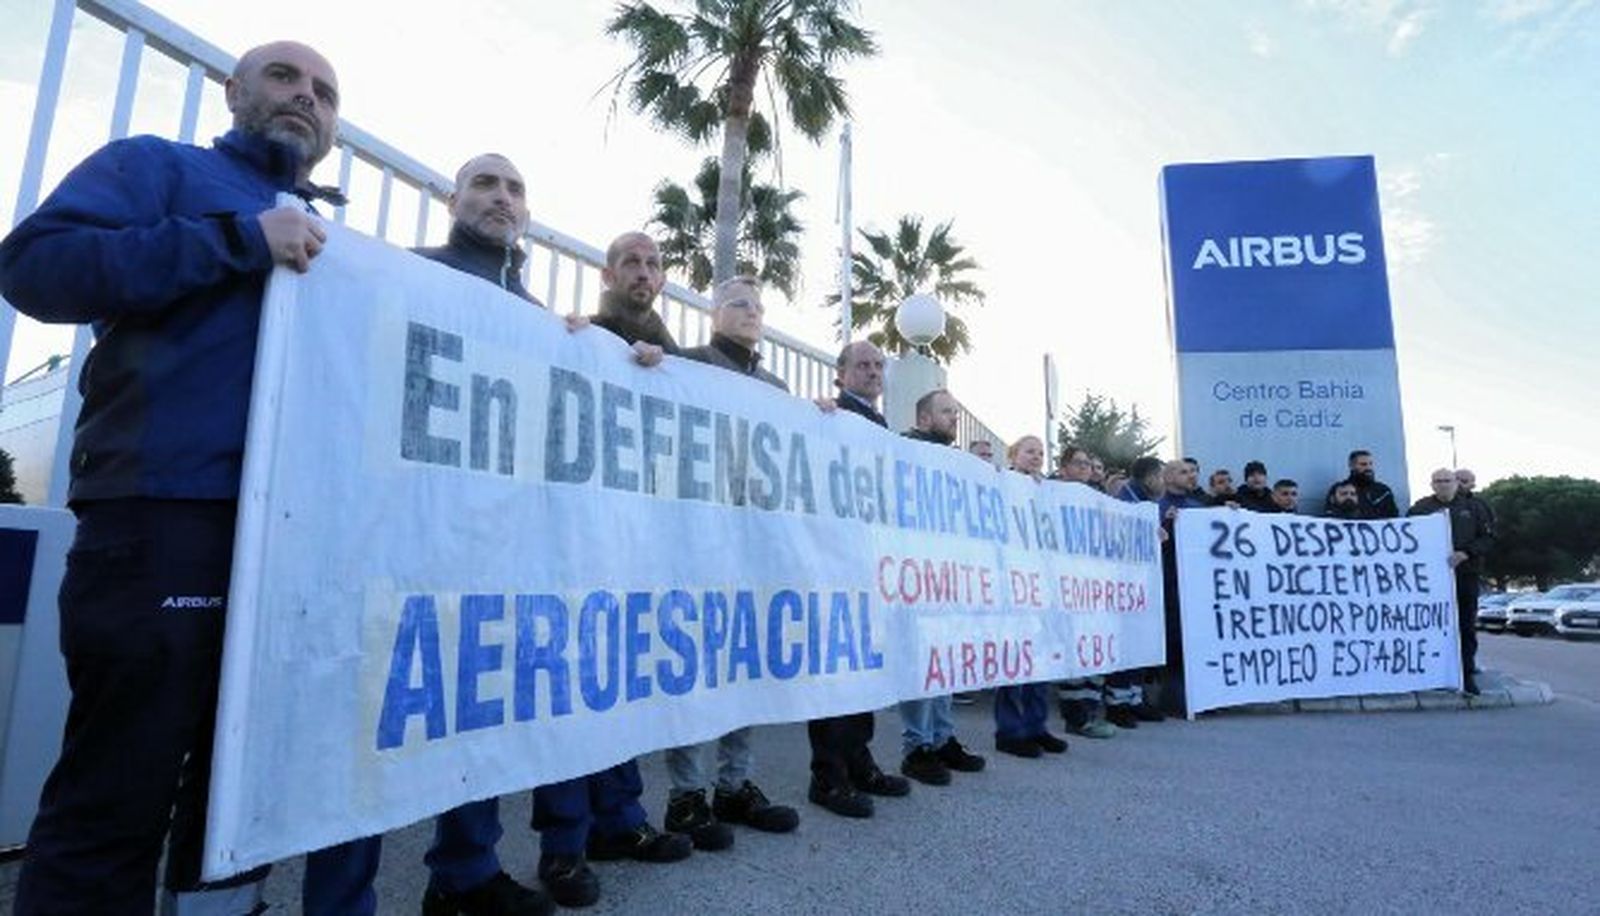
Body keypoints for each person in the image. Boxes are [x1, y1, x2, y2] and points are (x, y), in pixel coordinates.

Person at [0, 40, 349, 915]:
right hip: (163, 519)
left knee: (239, 802)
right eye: (284, 77)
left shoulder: (343, 246)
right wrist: (239, 239)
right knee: (117, 794)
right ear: (234, 92)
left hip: (288, 543)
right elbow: (36, 269)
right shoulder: (156, 168)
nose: (305, 97)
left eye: (324, 92)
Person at [305, 155, 572, 916]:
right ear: (452, 199)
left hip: (498, 550)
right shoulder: (399, 273)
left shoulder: (538, 317)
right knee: (370, 735)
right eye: (485, 184)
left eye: (515, 187)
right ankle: (339, 903)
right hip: (399, 544)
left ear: (527, 213)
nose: (501, 197)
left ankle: (465, 877)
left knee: (480, 714)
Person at [663, 277, 801, 838]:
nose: (752, 313)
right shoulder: (687, 363)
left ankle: (734, 785)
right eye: (739, 304)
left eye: (758, 306)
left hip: (755, 543)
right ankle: (686, 795)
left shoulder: (773, 385)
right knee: (698, 668)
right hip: (698, 538)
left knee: (745, 664)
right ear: (713, 313)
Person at [798, 341, 915, 818]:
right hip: (834, 565)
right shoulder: (828, 415)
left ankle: (859, 761)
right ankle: (828, 777)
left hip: (871, 566)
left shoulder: (880, 425)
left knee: (864, 671)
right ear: (839, 375)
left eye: (878, 365)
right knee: (835, 676)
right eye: (862, 365)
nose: (872, 371)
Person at [897, 389, 988, 785]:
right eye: (946, 412)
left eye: (955, 411)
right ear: (923, 419)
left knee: (945, 661)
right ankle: (916, 747)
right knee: (922, 663)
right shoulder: (902, 451)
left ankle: (942, 737)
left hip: (950, 576)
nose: (954, 417)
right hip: (918, 575)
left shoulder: (958, 463)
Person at [990, 436, 1072, 759]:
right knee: (1014, 660)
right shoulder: (1000, 483)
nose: (1036, 456)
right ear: (1013, 455)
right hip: (1013, 584)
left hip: (1043, 585)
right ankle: (1009, 731)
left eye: (1040, 452)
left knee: (1040, 660)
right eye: (1029, 451)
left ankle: (1037, 726)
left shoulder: (1048, 491)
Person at [1408, 470, 1495, 694]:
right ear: (1431, 485)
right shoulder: (1420, 508)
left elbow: (1489, 538)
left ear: (1456, 483)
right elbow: (1407, 537)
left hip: (1466, 574)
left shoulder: (1475, 508)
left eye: (1447, 480)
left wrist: (1466, 553)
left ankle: (1466, 674)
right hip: (1430, 580)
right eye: (1438, 481)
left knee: (1465, 625)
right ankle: (1433, 673)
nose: (1443, 485)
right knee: (1433, 624)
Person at [1324, 449, 1399, 519]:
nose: (1368, 468)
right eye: (1363, 464)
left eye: (1370, 464)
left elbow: (1394, 519)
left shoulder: (1383, 491)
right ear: (1351, 466)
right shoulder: (1340, 489)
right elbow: (1330, 516)